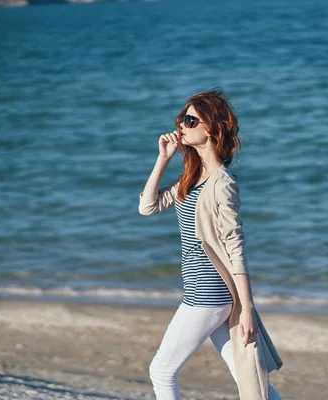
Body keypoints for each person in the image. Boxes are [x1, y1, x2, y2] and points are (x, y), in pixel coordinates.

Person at [138, 89, 283, 400]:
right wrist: (163, 159)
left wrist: (247, 308)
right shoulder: (190, 178)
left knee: (161, 370)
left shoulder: (222, 184)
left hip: (207, 294)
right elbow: (147, 206)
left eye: (190, 120)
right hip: (205, 294)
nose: (181, 126)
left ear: (212, 129)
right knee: (249, 377)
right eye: (181, 119)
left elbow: (235, 247)